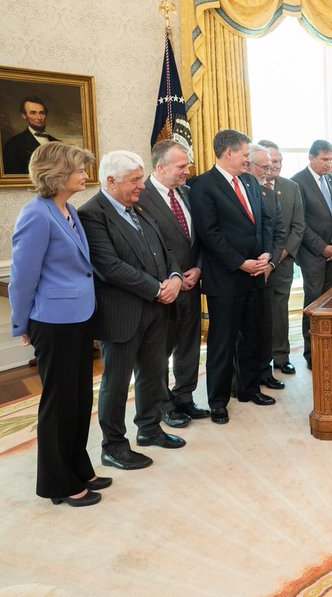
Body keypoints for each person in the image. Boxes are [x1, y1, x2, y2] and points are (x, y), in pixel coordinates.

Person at [10, 141, 107, 507]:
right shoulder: (35, 215)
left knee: (80, 398)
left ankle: (78, 468)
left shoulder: (68, 210)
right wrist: (21, 324)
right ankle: (58, 483)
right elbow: (23, 277)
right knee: (59, 401)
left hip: (79, 316)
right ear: (57, 174)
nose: (85, 174)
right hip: (53, 322)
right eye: (79, 169)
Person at [79, 150, 185, 471]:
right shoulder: (91, 214)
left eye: (141, 178)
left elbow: (164, 249)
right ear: (112, 181)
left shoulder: (138, 207)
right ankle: (113, 446)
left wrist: (175, 278)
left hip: (156, 310)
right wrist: (157, 289)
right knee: (116, 382)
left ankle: (149, 428)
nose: (142, 185)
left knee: (153, 373)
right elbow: (109, 267)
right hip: (122, 314)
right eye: (135, 180)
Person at [188, 129, 275, 424]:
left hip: (255, 274)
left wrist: (266, 254)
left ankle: (249, 389)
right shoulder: (203, 185)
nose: (248, 160)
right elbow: (209, 233)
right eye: (245, 155)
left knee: (253, 337)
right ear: (229, 153)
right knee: (222, 343)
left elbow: (263, 222)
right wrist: (240, 263)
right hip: (225, 278)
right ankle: (218, 401)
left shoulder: (249, 181)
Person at [136, 139, 207, 424]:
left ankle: (185, 397)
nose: (187, 171)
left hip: (192, 284)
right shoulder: (140, 197)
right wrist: (175, 275)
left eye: (187, 165)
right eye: (181, 166)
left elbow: (200, 239)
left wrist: (198, 269)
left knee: (189, 345)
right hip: (163, 288)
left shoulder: (188, 193)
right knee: (158, 352)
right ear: (161, 167)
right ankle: (163, 405)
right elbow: (145, 246)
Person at [292, 139, 332, 369]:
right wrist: (322, 248)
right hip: (313, 255)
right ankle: (311, 353)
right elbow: (300, 223)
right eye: (324, 160)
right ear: (311, 158)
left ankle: (330, 349)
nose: (329, 164)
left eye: (331, 160)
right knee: (313, 304)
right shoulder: (298, 182)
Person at [258, 140, 304, 377]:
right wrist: (265, 261)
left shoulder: (291, 187)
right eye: (272, 161)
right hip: (255, 265)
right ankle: (259, 362)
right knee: (258, 315)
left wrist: (276, 259)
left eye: (280, 161)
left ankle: (281, 357)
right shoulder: (250, 186)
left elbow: (298, 227)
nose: (277, 165)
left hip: (282, 263)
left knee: (279, 313)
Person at [249, 144, 289, 391]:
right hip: (243, 270)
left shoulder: (269, 194)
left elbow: (279, 232)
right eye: (264, 166)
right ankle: (245, 379)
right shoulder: (237, 192)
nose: (269, 170)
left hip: (267, 270)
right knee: (246, 332)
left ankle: (265, 372)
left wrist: (271, 262)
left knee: (266, 326)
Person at [2, 96, 58, 175]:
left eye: (42, 113)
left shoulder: (57, 142)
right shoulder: (14, 144)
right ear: (24, 116)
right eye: (33, 113)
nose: (39, 117)